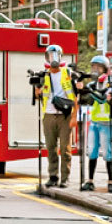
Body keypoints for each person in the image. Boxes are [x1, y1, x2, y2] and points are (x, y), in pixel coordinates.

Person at [34, 44, 76, 189]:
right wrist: (37, 91)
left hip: (65, 115)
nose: (52, 58)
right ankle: (53, 176)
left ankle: (65, 177)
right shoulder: (43, 75)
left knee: (65, 148)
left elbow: (76, 95)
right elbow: (38, 95)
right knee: (50, 147)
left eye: (55, 55)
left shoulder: (68, 73)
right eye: (49, 55)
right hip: (49, 114)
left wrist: (74, 116)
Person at [78, 55, 112, 192]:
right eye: (93, 67)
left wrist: (90, 90)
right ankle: (90, 180)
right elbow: (84, 98)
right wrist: (81, 87)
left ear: (105, 69)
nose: (95, 70)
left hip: (106, 122)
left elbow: (101, 99)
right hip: (94, 121)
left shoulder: (109, 83)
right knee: (92, 152)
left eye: (98, 67)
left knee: (107, 153)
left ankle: (111, 181)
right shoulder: (92, 84)